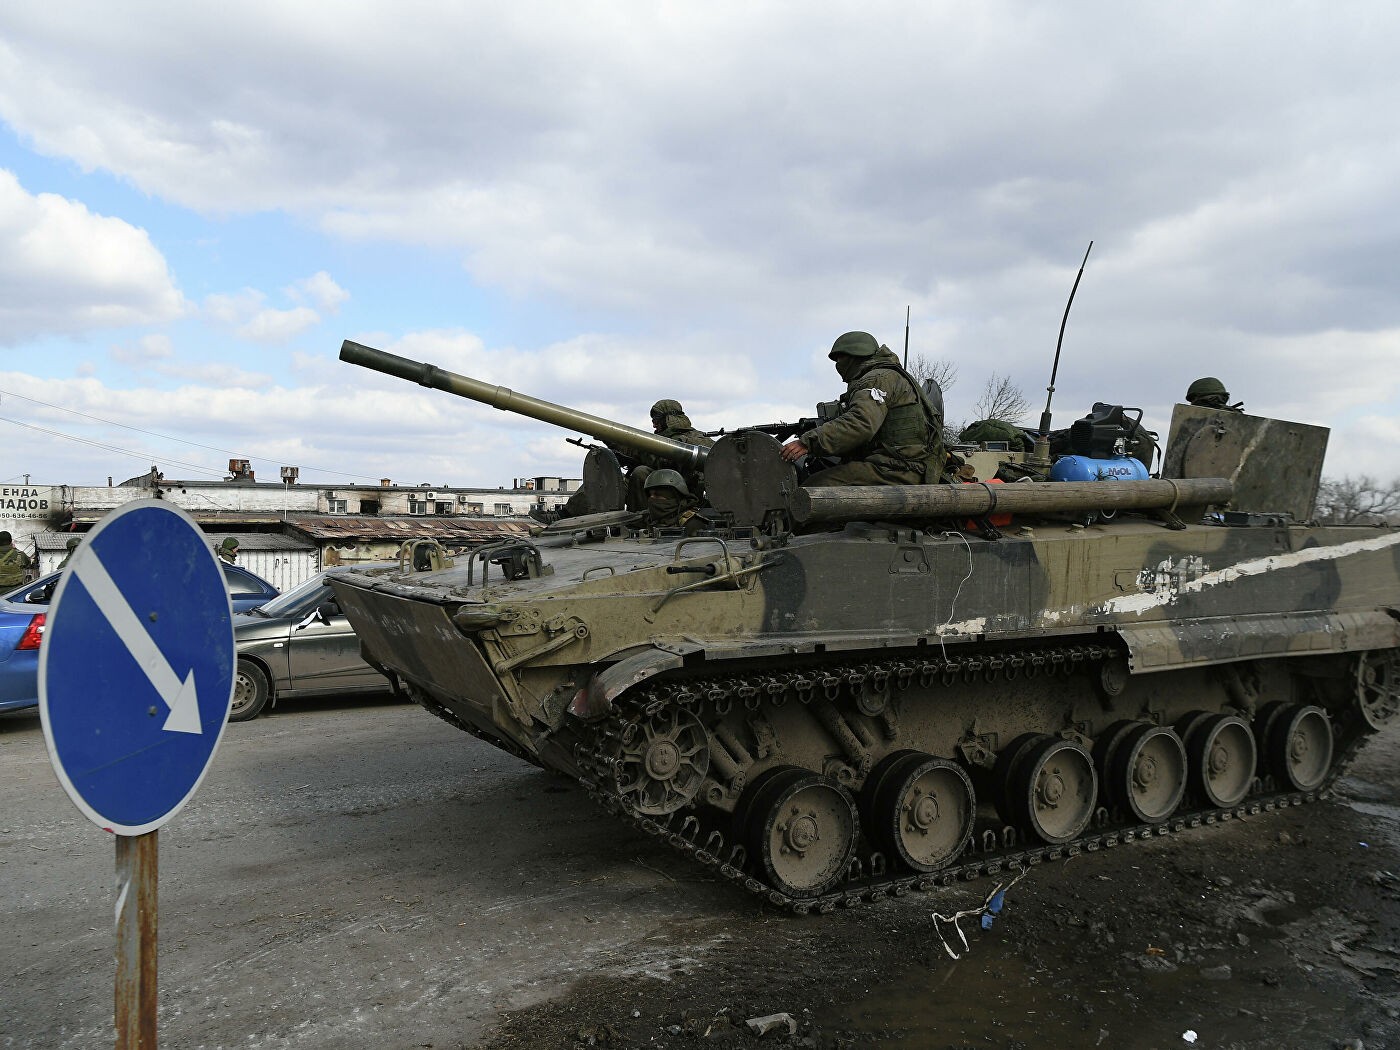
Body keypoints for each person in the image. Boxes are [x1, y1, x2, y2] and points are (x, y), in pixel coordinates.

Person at [780, 331, 944, 487]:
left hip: (897, 469)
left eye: (840, 358)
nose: (837, 365)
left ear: (854, 356)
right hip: (905, 465)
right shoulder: (889, 375)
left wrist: (808, 442)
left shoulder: (876, 379)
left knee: (813, 488)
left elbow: (861, 423)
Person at [641, 469, 705, 535]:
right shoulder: (648, 519)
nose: (651, 498)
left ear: (674, 497)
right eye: (650, 495)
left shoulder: (691, 523)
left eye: (657, 494)